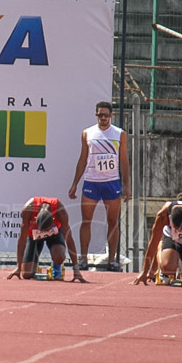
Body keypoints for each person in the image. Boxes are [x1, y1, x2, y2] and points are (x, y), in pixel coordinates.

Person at [68, 101, 130, 271]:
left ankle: (112, 260)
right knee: (86, 220)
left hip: (111, 182)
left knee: (112, 221)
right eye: (100, 115)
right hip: (91, 182)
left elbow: (123, 160)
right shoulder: (87, 133)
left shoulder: (119, 134)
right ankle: (83, 259)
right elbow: (83, 159)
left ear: (111, 116)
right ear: (96, 115)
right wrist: (75, 183)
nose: (103, 118)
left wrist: (127, 185)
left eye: (106, 115)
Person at [7, 196, 86, 282]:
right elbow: (22, 239)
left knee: (59, 257)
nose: (44, 233)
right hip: (34, 235)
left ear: (53, 219)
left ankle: (57, 266)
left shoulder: (61, 212)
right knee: (26, 274)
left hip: (54, 233)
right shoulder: (28, 210)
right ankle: (34, 266)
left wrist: (76, 270)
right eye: (42, 230)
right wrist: (18, 267)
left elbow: (69, 240)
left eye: (46, 229)